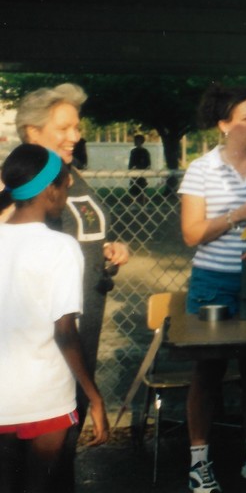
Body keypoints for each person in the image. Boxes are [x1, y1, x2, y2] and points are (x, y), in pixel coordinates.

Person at [13, 83, 131, 489]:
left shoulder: (69, 176)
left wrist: (109, 252)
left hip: (85, 323)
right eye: (64, 127)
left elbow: (83, 236)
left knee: (67, 433)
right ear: (32, 132)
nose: (75, 136)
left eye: (77, 127)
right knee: (43, 447)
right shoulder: (19, 185)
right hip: (48, 336)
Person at [0, 145, 109, 492]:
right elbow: (65, 332)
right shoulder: (61, 247)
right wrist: (93, 396)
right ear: (51, 190)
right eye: (65, 186)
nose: (66, 195)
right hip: (45, 398)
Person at [178, 85, 246, 493]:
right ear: (223, 124)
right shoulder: (201, 169)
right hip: (213, 282)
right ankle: (200, 463)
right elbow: (192, 233)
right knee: (208, 371)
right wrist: (238, 215)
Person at [128, 134, 151, 202]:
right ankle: (134, 201)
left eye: (136, 140)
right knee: (133, 188)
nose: (134, 142)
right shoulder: (133, 151)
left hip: (142, 173)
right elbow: (131, 162)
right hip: (134, 173)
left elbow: (147, 163)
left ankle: (142, 201)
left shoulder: (144, 152)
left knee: (141, 188)